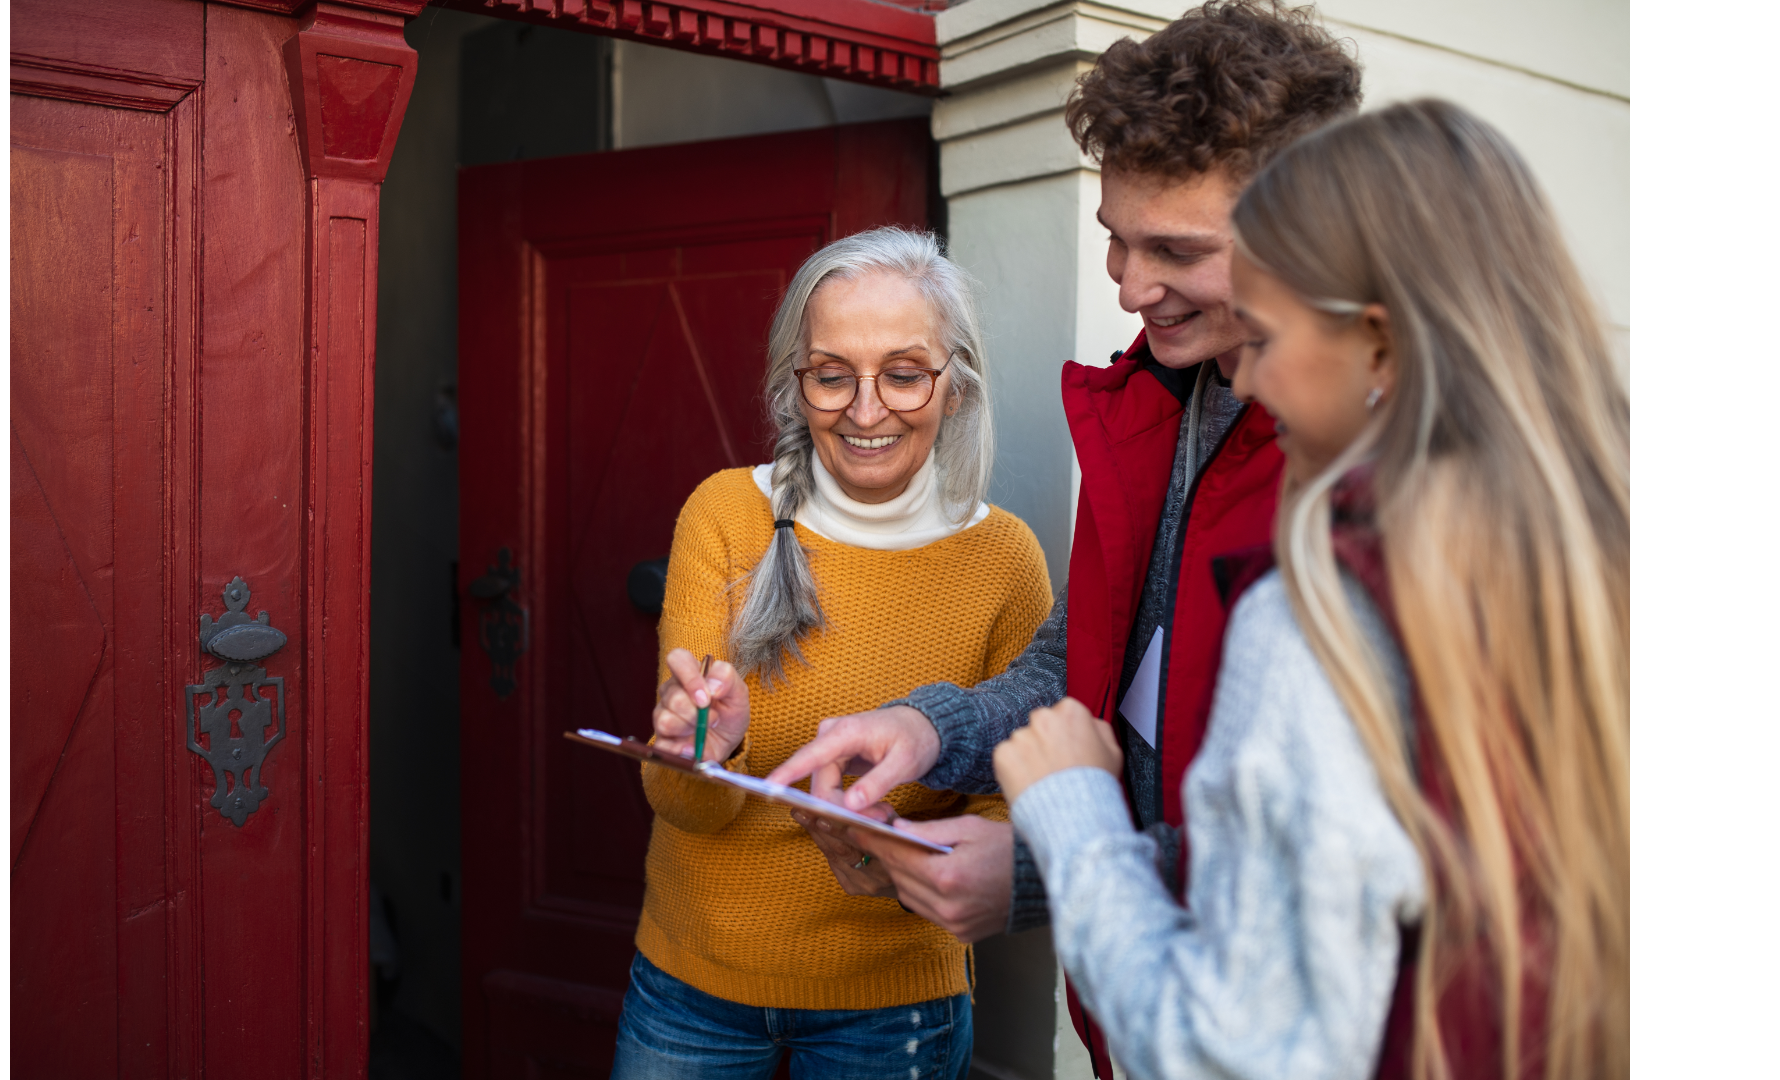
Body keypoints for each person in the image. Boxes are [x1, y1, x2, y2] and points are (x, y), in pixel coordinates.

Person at [769, 4, 1360, 1071]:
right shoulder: (1162, 398)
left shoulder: (1363, 459)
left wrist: (1047, 867)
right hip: (1139, 1003)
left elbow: (1351, 846)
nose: (1130, 289)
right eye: (1116, 242)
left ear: (1310, 228)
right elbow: (1095, 657)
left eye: (1175, 249)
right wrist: (928, 728)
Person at [993, 99, 1629, 1079]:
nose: (1246, 373)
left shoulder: (1321, 614)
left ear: (1377, 345)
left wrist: (1072, 817)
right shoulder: (1598, 551)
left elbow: (1227, 1052)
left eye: (1269, 332)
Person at [608, 227, 1054, 1079]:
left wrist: (905, 856)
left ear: (954, 386)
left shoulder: (1006, 561)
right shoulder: (724, 517)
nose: (865, 408)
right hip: (692, 981)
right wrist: (707, 747)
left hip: (894, 1006)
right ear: (796, 385)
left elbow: (1010, 802)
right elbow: (685, 802)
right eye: (832, 374)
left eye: (903, 372)